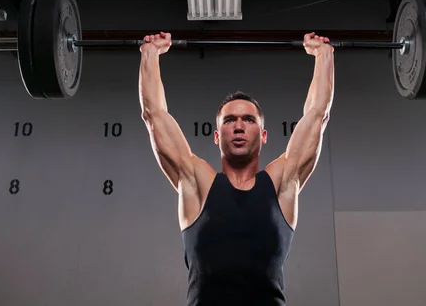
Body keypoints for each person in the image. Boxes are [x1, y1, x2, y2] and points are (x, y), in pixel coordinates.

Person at [138, 31, 334, 306]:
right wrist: (150, 54)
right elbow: (154, 115)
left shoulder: (281, 183)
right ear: (217, 136)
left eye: (249, 120)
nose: (239, 126)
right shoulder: (197, 183)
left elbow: (318, 114)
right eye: (229, 120)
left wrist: (324, 55)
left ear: (264, 134)